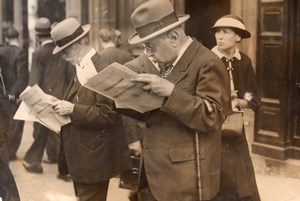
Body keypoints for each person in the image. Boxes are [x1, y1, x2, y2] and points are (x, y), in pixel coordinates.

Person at [119, 0, 231, 200]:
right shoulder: (166, 60)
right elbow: (155, 114)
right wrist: (122, 98)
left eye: (150, 46)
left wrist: (170, 92)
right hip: (155, 175)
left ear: (172, 37)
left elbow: (212, 117)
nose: (148, 53)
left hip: (185, 180)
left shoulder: (207, 62)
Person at [50, 17, 131, 201]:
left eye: (65, 50)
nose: (63, 56)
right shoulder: (81, 66)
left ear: (80, 44)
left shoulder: (99, 68)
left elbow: (107, 114)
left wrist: (72, 109)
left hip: (94, 161)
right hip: (84, 159)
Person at [210, 14, 261, 201]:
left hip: (235, 127)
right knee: (220, 176)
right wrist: (224, 97)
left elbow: (252, 97)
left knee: (242, 175)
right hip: (212, 126)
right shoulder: (208, 60)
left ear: (238, 37)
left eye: (225, 32)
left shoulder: (244, 61)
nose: (219, 37)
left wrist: (240, 100)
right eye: (217, 32)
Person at [22, 17, 74, 174]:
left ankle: (35, 162)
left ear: (37, 36)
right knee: (56, 131)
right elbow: (70, 75)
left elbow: (34, 81)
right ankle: (55, 163)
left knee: (42, 131)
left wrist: (29, 99)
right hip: (62, 96)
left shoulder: (38, 53)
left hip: (44, 98)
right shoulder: (62, 51)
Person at [0, 27, 28, 162]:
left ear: (6, 38)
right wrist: (15, 92)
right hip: (15, 95)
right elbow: (22, 76)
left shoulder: (1, 51)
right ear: (18, 37)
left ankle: (5, 152)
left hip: (3, 93)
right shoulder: (21, 52)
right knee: (16, 124)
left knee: (4, 123)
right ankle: (11, 153)